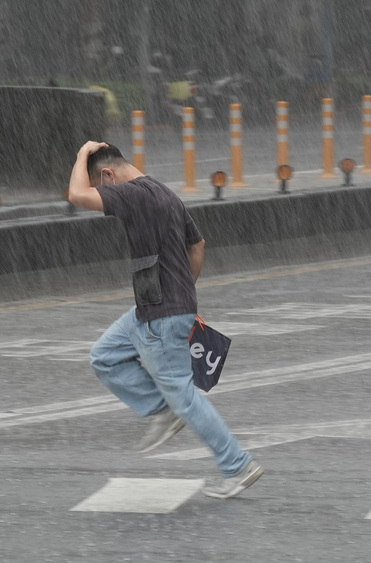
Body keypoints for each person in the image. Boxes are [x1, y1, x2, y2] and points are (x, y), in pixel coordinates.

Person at [67, 141, 263, 499]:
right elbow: (198, 245)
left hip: (162, 313)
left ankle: (237, 465)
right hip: (154, 309)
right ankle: (162, 409)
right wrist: (184, 293)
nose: (102, 196)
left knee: (185, 399)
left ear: (108, 175)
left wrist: (82, 154)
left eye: (100, 186)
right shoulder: (165, 193)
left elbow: (76, 195)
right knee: (104, 355)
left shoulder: (132, 194)